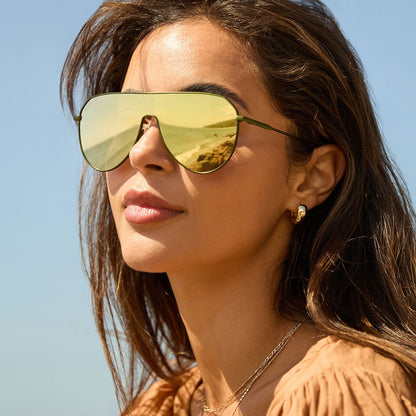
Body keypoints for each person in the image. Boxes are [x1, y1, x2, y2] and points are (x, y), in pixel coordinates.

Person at [61, 0, 416, 414]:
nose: (143, 152)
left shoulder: (342, 395)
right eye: (122, 120)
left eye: (202, 124)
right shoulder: (163, 406)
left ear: (312, 176)